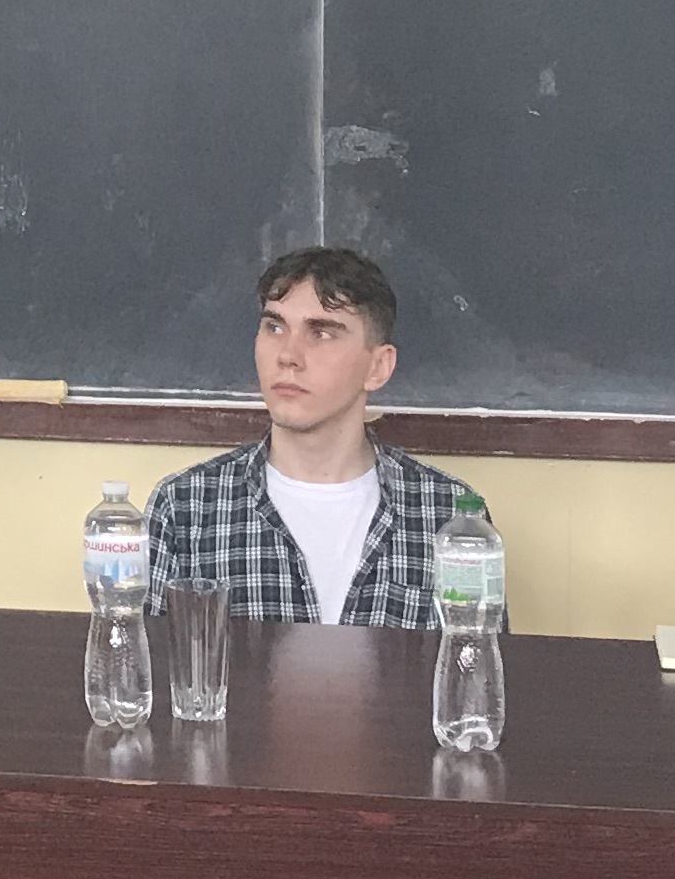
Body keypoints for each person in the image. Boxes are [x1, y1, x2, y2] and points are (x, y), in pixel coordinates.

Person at [146, 247, 474, 627]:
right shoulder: (185, 509)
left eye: (320, 333)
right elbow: (142, 661)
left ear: (378, 367)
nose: (288, 355)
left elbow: (476, 661)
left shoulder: (447, 516)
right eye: (274, 327)